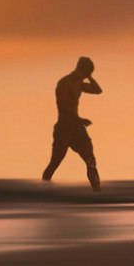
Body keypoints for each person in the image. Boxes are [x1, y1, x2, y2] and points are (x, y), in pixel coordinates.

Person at [42, 56, 103, 190]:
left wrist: (89, 77)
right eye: (86, 73)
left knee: (91, 160)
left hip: (77, 129)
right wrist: (80, 120)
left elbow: (98, 90)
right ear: (79, 69)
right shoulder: (64, 83)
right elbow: (63, 107)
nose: (86, 77)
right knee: (55, 162)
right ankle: (42, 188)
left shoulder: (79, 84)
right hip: (64, 128)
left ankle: (97, 192)